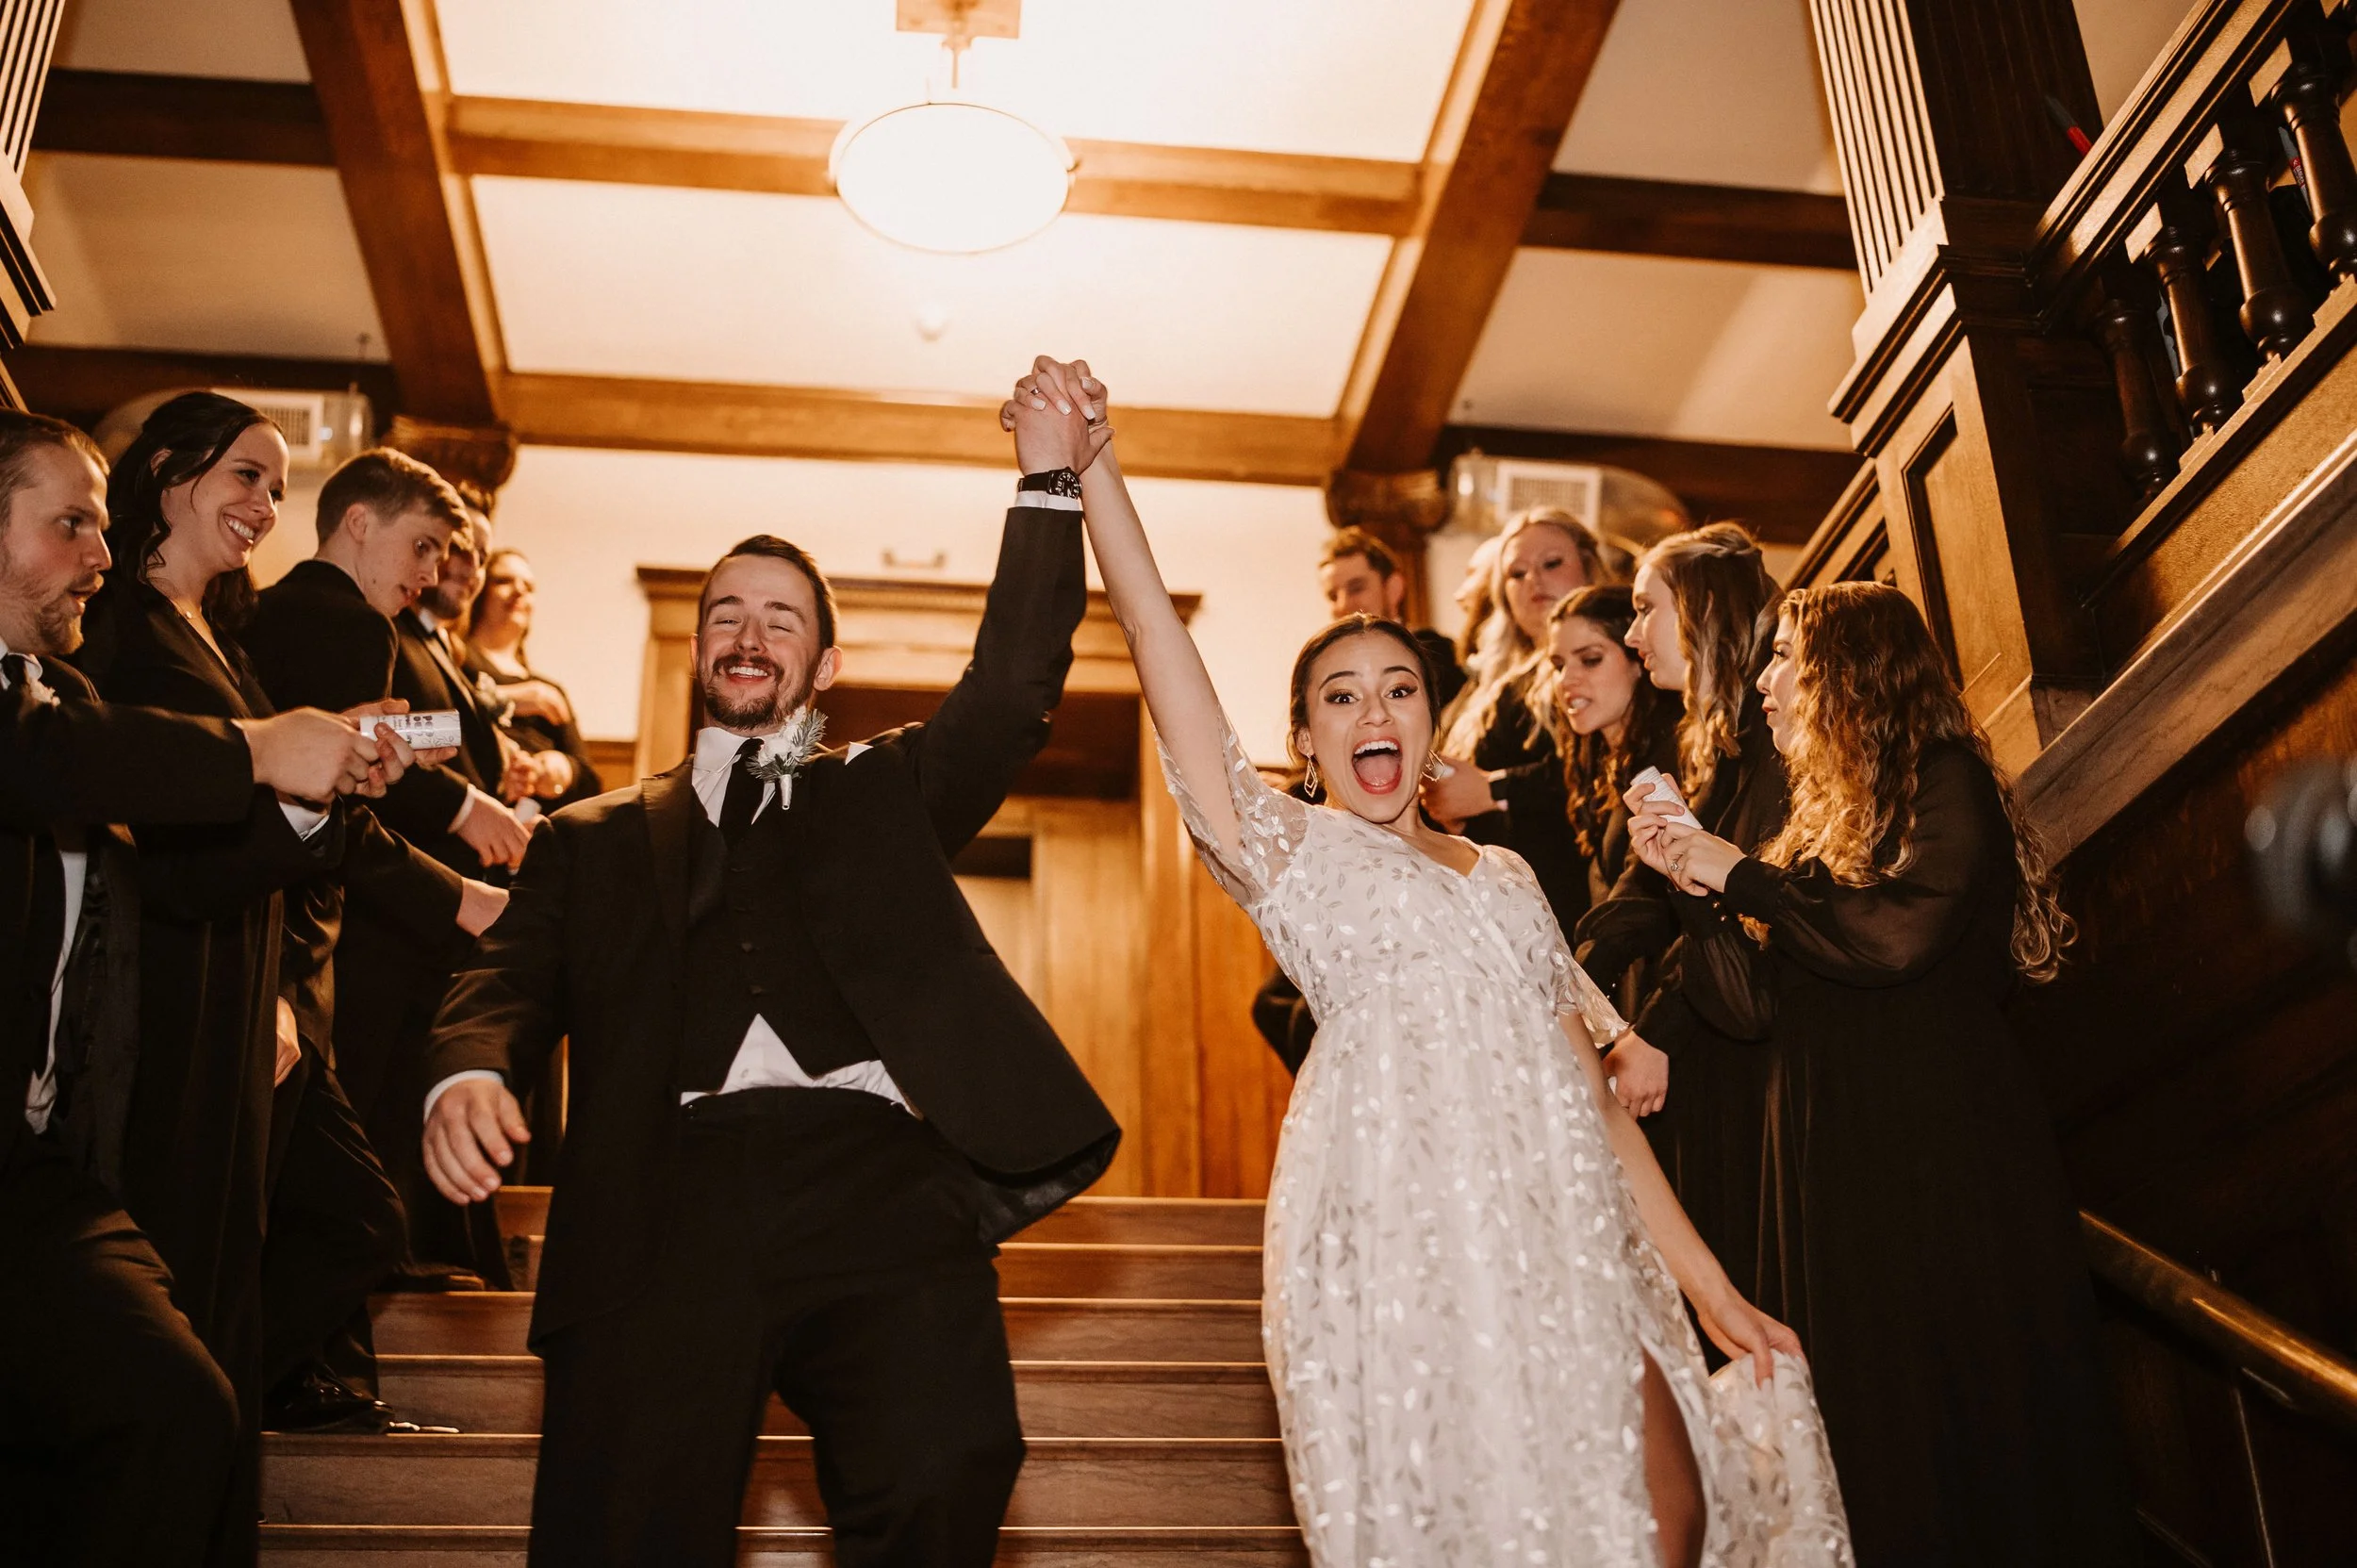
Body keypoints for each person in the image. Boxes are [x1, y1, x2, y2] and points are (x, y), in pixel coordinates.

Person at [1013, 356, 1843, 1567]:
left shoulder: (1503, 876)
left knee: (1671, 1513)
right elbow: (1155, 640)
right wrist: (1098, 472)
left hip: (1563, 1214)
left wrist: (1711, 1288)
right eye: (1340, 697)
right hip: (1404, 1220)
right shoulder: (1287, 852)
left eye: (1397, 688)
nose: (1374, 712)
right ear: (1306, 743)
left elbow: (1593, 1100)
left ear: (1427, 719)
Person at [416, 408, 1122, 1568]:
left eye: (780, 618)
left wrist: (1049, 483)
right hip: (664, 1186)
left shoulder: (887, 791)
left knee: (948, 1463)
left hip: (874, 1178)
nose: (749, 634)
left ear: (824, 666)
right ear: (701, 651)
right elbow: (507, 973)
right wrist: (468, 1069)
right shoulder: (590, 837)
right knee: (627, 1526)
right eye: (726, 616)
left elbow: (1007, 692)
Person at [1634, 581, 2137, 1567]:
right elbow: (1745, 1007)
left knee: (1959, 1422)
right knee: (1870, 1432)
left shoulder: (1943, 777)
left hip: (1934, 1154)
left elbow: (1897, 937)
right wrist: (1688, 884)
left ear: (1853, 675)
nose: (1765, 681)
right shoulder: (1813, 821)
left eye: (1786, 659)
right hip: (1834, 1169)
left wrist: (1735, 871)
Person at [0, 408, 417, 1566]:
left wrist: (310, 795)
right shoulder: (63, 720)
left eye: (101, 526)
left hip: (44, 1166)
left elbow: (170, 872)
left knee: (182, 1399)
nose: (100, 551)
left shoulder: (72, 697)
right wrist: (257, 750)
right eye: (70, 524)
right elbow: (43, 761)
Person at [243, 450, 520, 1294]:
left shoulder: (265, 607)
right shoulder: (357, 624)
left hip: (271, 903)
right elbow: (347, 809)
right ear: (359, 523)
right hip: (329, 914)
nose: (431, 572)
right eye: (423, 546)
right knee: (348, 1180)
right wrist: (461, 888)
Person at [1572, 523, 1788, 1315]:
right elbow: (1644, 891)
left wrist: (1654, 1030)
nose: (1634, 636)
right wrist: (1568, 981)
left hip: (1758, 1041)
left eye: (1644, 609)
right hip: (1716, 1022)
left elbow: (1747, 916)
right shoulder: (1711, 737)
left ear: (1700, 608)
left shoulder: (1772, 736)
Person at [1422, 507, 1608, 930]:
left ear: (1588, 566)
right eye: (1516, 573)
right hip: (1492, 896)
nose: (1534, 581)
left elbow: (1597, 768)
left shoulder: (1608, 662)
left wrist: (1494, 789)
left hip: (1561, 895)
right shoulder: (1496, 677)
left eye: (1552, 563)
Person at [1545, 586, 1681, 1098]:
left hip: (1664, 1022)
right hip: (1628, 1006)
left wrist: (1567, 1010)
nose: (1567, 680)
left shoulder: (1665, 758)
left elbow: (1636, 903)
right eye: (1558, 664)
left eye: (1590, 659)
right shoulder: (1597, 764)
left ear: (1637, 659)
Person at [465, 547, 602, 815]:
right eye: (504, 581)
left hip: (539, 823)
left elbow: (589, 780)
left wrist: (560, 770)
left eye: (528, 587)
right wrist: (510, 698)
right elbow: (445, 713)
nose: (519, 591)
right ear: (479, 590)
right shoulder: (457, 659)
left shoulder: (549, 689)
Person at [1314, 527, 1465, 708]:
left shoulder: (1432, 652)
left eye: (1356, 588)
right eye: (1333, 596)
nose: (1343, 605)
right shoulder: (1329, 672)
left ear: (1393, 588)